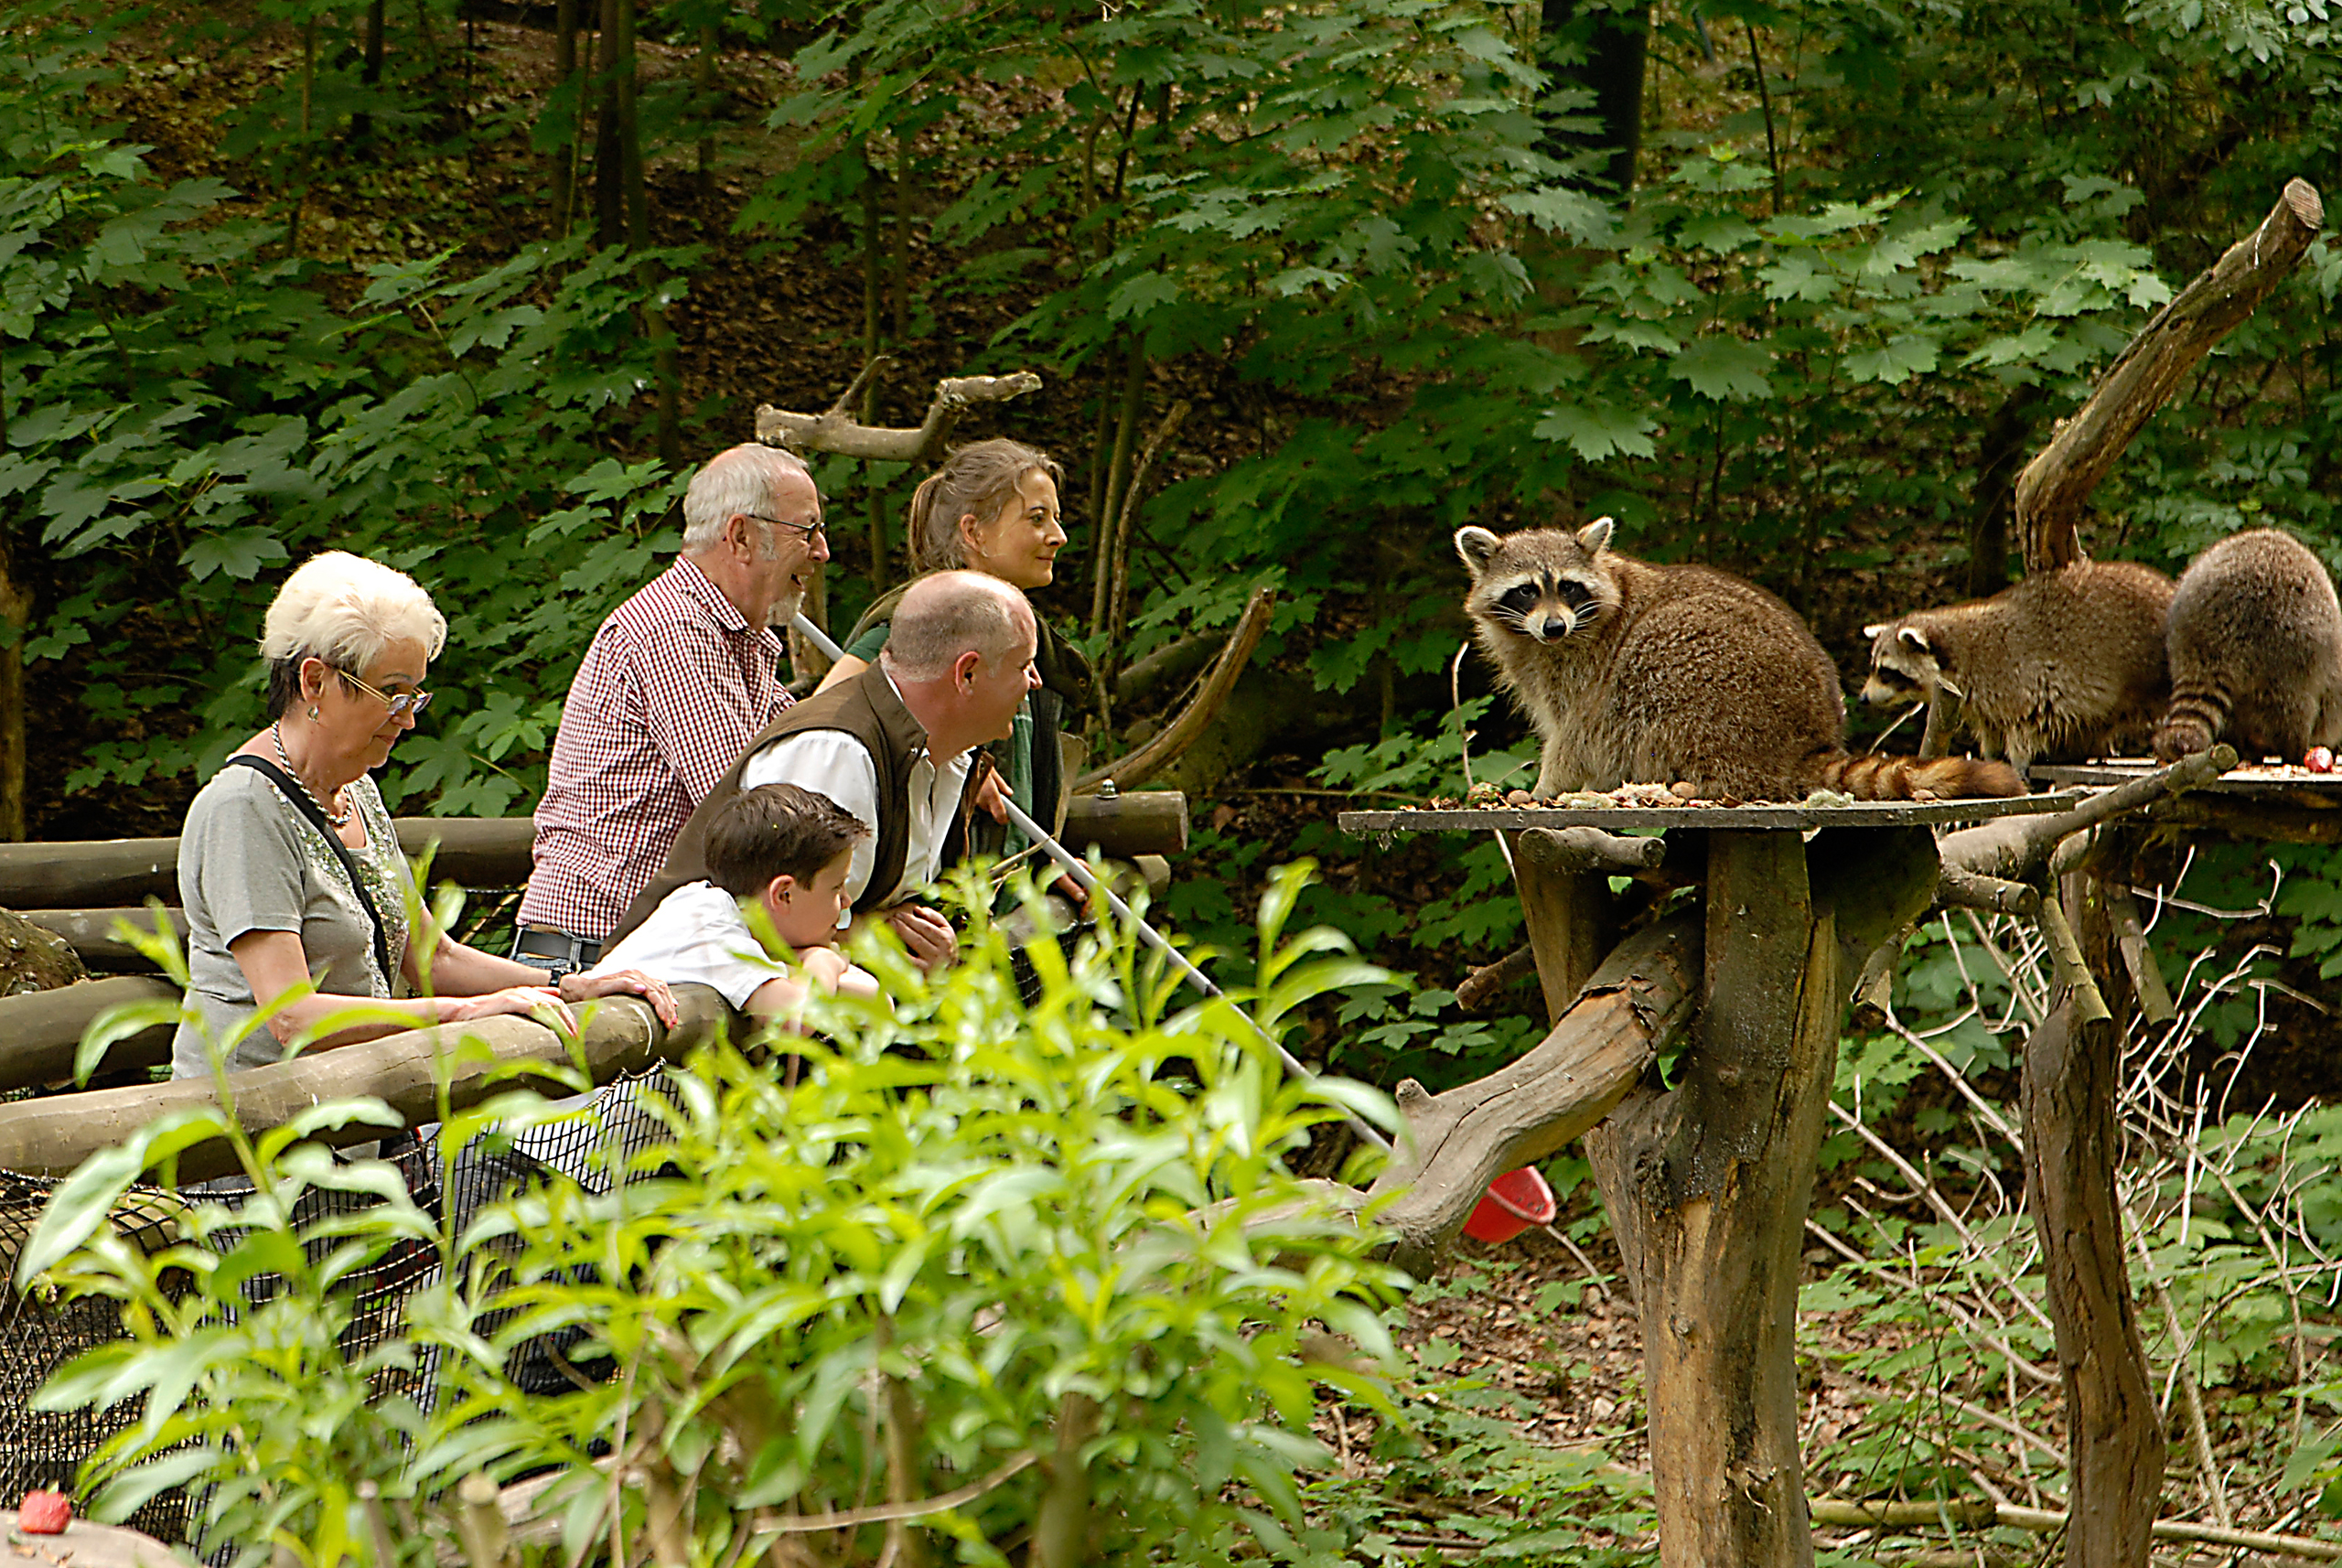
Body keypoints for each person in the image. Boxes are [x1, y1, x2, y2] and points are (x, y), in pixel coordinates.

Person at [173, 553, 679, 1079]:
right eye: (391, 693)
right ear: (314, 682)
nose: (409, 718)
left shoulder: (357, 790)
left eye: (414, 694)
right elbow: (293, 1016)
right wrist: (464, 1015)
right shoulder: (243, 809)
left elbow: (433, 958)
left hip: (348, 1127)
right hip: (247, 1134)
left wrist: (564, 985)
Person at [607, 571, 1042, 972]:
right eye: (1023, 666)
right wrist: (897, 948)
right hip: (676, 1026)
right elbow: (781, 927)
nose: (1035, 682)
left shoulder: (938, 752)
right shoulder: (836, 751)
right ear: (966, 674)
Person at [516, 443, 830, 975]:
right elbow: (753, 815)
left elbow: (798, 761)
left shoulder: (741, 638)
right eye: (808, 531)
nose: (822, 552)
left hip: (648, 947)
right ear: (742, 537)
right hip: (595, 954)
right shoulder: (671, 632)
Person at [819, 439, 1091, 852]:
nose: (1058, 536)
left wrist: (1044, 869)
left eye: (1055, 519)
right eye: (1037, 519)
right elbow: (823, 727)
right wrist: (943, 758)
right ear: (974, 532)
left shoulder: (1024, 639)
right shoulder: (913, 628)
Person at [588, 782, 880, 1020]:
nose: (846, 901)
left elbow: (872, 996)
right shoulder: (707, 922)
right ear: (784, 895)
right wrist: (823, 959)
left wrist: (809, 963)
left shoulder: (747, 927)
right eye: (836, 888)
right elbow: (795, 1016)